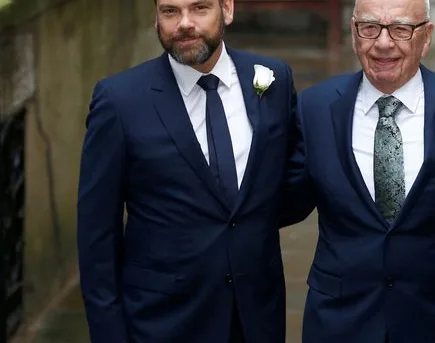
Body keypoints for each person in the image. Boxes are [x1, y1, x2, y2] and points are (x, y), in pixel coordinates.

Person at [77, 0, 303, 342]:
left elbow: (287, 185)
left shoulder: (275, 81)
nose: (184, 23)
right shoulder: (119, 101)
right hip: (163, 320)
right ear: (156, 17)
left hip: (256, 316)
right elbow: (97, 237)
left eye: (199, 8)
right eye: (170, 11)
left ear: (226, 9)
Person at [282, 0, 435, 341]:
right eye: (369, 28)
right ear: (354, 34)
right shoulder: (315, 107)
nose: (383, 43)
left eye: (400, 29)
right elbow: (284, 202)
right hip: (341, 322)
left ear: (426, 38)